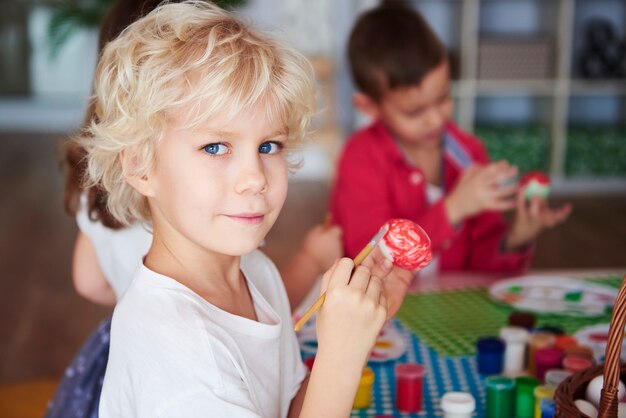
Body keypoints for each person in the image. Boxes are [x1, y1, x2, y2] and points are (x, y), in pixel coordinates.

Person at [76, 2, 411, 416]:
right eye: (215, 147)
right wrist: (342, 354)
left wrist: (351, 339)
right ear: (139, 165)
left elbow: (289, 408)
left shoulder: (256, 273)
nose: (255, 177)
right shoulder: (179, 355)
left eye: (269, 146)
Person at [330, 2, 572, 276]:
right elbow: (370, 257)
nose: (435, 119)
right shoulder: (360, 158)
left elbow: (484, 263)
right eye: (415, 111)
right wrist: (453, 209)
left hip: (451, 307)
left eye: (443, 98)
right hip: (379, 310)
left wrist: (516, 238)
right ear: (369, 106)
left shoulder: (469, 152)